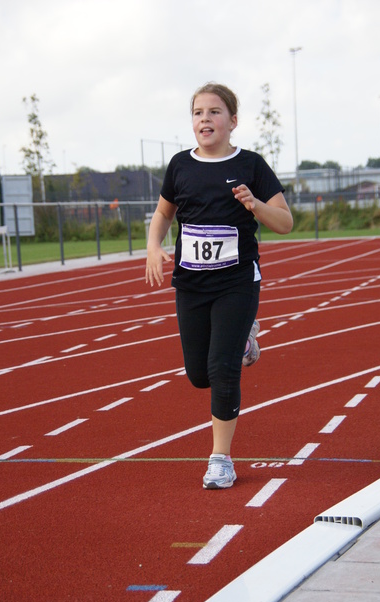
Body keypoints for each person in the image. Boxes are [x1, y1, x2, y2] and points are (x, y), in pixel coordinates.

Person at [145, 82, 293, 489]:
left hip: (237, 281)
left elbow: (285, 223)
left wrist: (255, 204)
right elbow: (162, 214)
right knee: (198, 374)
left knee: (222, 369)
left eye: (213, 112)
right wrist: (153, 247)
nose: (204, 119)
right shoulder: (180, 165)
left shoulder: (251, 165)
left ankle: (220, 459)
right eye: (198, 112)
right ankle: (246, 342)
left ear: (232, 121)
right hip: (191, 283)